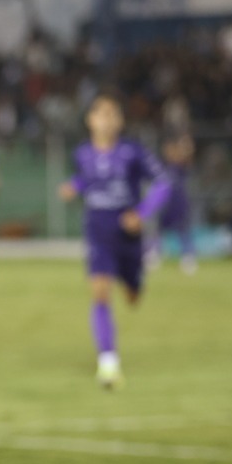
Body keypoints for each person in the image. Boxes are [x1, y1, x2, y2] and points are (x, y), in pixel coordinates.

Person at [58, 93, 171, 389]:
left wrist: (142, 213)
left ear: (120, 120)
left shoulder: (133, 152)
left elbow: (163, 183)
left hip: (128, 232)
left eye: (112, 114)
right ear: (90, 120)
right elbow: (87, 178)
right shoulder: (82, 153)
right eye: (100, 113)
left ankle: (133, 282)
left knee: (132, 296)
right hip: (98, 230)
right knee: (99, 292)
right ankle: (108, 363)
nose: (106, 120)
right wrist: (74, 186)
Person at [149, 132, 197, 275]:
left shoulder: (180, 167)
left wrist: (188, 148)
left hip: (179, 204)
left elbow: (189, 158)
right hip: (165, 204)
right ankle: (155, 254)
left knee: (183, 231)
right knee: (158, 231)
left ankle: (188, 257)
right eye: (167, 149)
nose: (169, 152)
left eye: (172, 149)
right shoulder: (161, 166)